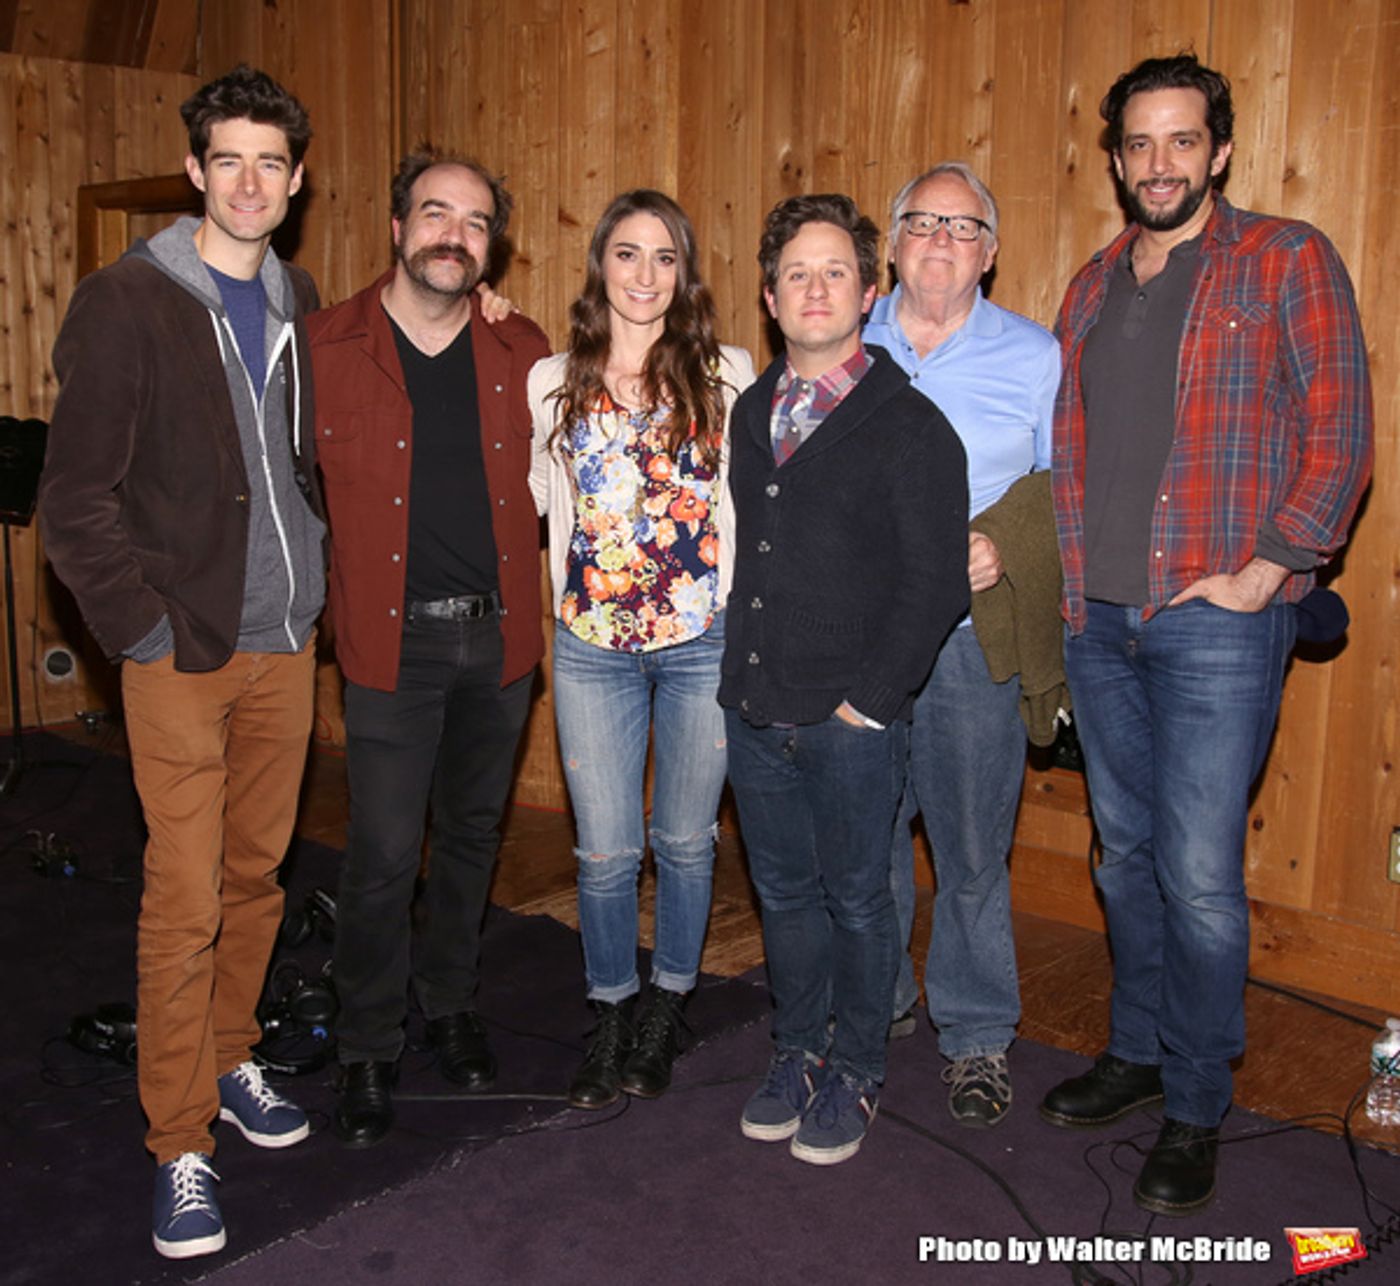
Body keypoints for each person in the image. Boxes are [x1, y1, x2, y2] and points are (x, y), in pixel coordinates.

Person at [1041, 54, 1373, 1214]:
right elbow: (1064, 460)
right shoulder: (1086, 288)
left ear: (1217, 151)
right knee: (1120, 856)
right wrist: (1071, 601)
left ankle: (1193, 1102)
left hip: (1217, 628)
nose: (1158, 164)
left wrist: (1268, 568)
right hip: (1103, 622)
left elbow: (1340, 432)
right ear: (1116, 158)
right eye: (1137, 145)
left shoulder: (1284, 258)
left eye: (1180, 141)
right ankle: (1134, 1051)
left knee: (1194, 871)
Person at [38, 66, 322, 1258]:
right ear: (196, 170)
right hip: (182, 652)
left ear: (296, 181)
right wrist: (144, 632)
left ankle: (231, 1051)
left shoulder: (298, 295)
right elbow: (73, 502)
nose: (251, 181)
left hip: (286, 643)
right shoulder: (127, 301)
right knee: (185, 894)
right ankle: (179, 1140)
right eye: (230, 159)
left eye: (273, 161)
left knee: (256, 879)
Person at [308, 148, 550, 1147]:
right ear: (398, 227)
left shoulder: (525, 350)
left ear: (491, 245)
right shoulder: (323, 346)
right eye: (435, 213)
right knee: (377, 856)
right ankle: (366, 1044)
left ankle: (448, 1004)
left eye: (475, 220)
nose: (453, 233)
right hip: (387, 646)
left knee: (469, 841)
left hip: (500, 641)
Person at [723, 194, 969, 1165]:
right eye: (794, 273)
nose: (813, 288)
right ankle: (795, 1047)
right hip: (755, 704)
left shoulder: (911, 426)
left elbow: (933, 579)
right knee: (781, 892)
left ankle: (858, 1064)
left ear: (868, 293)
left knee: (859, 898)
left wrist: (871, 700)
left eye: (833, 272)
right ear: (770, 296)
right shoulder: (752, 410)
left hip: (851, 718)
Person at [528, 190, 754, 1108]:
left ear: (685, 272)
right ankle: (612, 1009)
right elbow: (544, 501)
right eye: (628, 255)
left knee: (688, 843)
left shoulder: (727, 372)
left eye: (665, 258)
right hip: (591, 647)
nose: (645, 276)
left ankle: (668, 1007)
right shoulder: (550, 381)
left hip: (701, 642)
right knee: (607, 853)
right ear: (600, 266)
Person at [862, 162, 1061, 1128]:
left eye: (963, 226)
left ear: (990, 250)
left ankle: (977, 1035)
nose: (941, 240)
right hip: (856, 624)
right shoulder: (840, 338)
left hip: (973, 632)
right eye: (923, 222)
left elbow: (1066, 489)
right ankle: (879, 1003)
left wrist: (1001, 540)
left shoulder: (1037, 355)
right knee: (866, 826)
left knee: (973, 842)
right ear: (893, 240)